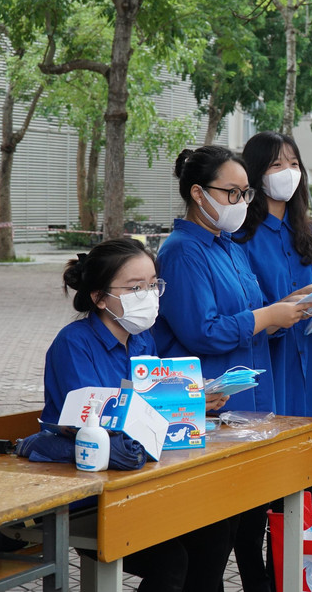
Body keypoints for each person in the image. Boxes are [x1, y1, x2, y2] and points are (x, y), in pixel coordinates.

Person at [153, 145, 312, 591]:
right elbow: (200, 331)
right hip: (211, 409)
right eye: (233, 193)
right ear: (198, 193)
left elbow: (256, 314)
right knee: (211, 542)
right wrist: (266, 317)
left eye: (246, 194)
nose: (242, 204)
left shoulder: (229, 246)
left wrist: (298, 306)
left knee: (244, 526)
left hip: (249, 409)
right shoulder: (183, 251)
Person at [43, 237, 228, 592]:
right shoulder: (74, 343)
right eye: (134, 287)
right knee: (172, 560)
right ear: (99, 297)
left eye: (153, 285)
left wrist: (193, 402)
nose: (148, 295)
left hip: (139, 480)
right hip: (90, 492)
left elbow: (154, 406)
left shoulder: (143, 340)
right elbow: (93, 422)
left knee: (215, 530)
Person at [231, 131, 312, 591]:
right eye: (275, 165)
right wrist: (280, 312)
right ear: (255, 174)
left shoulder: (307, 229)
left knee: (299, 492)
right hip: (266, 372)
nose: (287, 173)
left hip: (308, 369)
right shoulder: (241, 236)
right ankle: (257, 579)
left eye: (293, 162)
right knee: (254, 498)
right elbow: (245, 309)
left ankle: (285, 579)